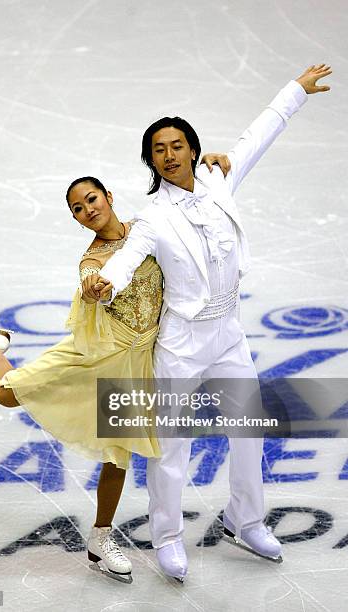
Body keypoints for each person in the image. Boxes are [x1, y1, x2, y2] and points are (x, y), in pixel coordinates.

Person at [83, 64, 332, 581]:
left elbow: (256, 136)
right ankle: (169, 537)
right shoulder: (153, 215)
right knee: (173, 444)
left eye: (177, 145)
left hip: (229, 333)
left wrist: (296, 92)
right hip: (182, 341)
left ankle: (247, 519)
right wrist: (105, 279)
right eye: (159, 149)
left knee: (248, 431)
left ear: (193, 149)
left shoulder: (220, 178)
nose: (169, 155)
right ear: (150, 160)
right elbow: (128, 257)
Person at [0, 159, 229, 583]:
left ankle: (100, 537)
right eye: (78, 209)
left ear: (109, 196)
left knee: (117, 455)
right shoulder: (92, 259)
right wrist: (92, 287)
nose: (88, 210)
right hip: (96, 351)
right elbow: (92, 281)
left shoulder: (147, 230)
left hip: (138, 361)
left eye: (91, 199)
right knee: (6, 394)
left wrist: (214, 170)